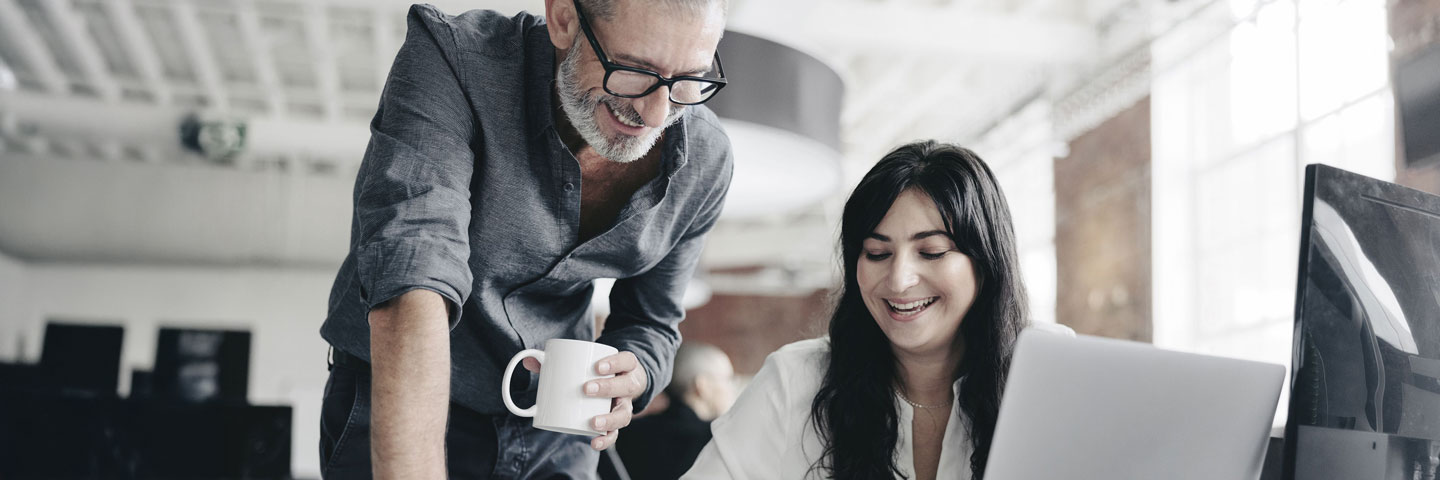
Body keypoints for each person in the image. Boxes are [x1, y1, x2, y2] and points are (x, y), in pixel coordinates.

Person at [316, 0, 734, 478]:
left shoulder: (705, 157)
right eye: (634, 70)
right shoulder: (457, 58)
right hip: (407, 395)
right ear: (564, 18)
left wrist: (635, 373)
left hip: (557, 423)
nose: (658, 113)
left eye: (689, 79)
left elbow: (653, 321)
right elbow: (414, 267)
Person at [683, 141, 1072, 479]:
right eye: (877, 253)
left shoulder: (1051, 371)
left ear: (985, 262)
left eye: (931, 252)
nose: (899, 279)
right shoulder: (795, 380)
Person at [614, 342, 737, 479]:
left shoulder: (625, 432)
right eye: (728, 379)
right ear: (702, 385)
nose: (733, 388)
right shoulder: (717, 440)